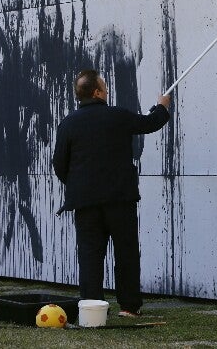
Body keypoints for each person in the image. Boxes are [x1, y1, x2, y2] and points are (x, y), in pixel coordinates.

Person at [53, 69, 171, 316]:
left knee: (90, 256)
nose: (106, 91)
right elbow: (150, 123)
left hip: (85, 202)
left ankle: (92, 308)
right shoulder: (117, 116)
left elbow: (59, 164)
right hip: (119, 199)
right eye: (104, 88)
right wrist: (162, 106)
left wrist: (76, 185)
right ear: (97, 92)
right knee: (126, 252)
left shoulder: (68, 123)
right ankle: (128, 306)